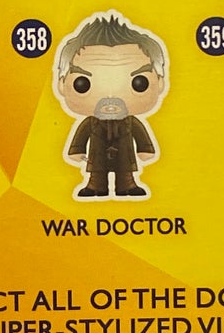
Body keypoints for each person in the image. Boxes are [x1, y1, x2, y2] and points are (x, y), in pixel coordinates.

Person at [55, 10, 168, 199]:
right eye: (82, 83)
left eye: (139, 82)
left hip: (125, 155)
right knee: (96, 174)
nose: (110, 96)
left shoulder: (131, 122)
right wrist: (78, 151)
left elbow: (140, 135)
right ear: (62, 84)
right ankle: (95, 187)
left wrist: (145, 148)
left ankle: (127, 186)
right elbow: (81, 137)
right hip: (97, 156)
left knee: (126, 172)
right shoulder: (90, 123)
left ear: (159, 83)